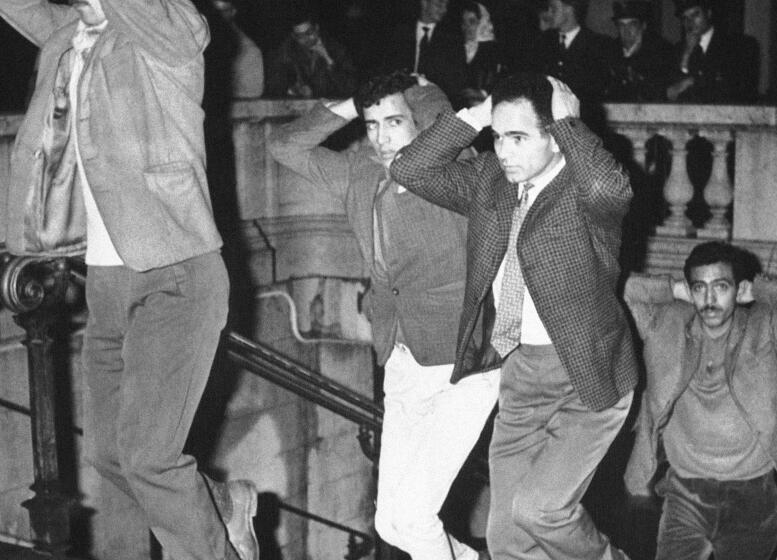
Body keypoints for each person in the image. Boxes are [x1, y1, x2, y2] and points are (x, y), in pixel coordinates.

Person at [0, 1, 258, 560]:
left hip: (176, 272)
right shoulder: (69, 33)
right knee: (111, 457)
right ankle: (219, 506)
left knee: (150, 457)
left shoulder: (169, 32)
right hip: (108, 282)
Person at [391, 72, 637, 560]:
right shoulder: (490, 180)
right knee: (505, 540)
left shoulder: (584, 191)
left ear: (554, 134)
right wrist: (479, 116)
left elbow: (613, 189)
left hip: (586, 378)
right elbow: (410, 169)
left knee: (540, 510)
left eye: (519, 137)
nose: (504, 151)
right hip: (520, 377)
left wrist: (571, 122)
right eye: (499, 138)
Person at [269, 71, 500, 560]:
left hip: (461, 365)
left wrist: (423, 96)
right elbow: (285, 145)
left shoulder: (458, 171)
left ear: (423, 122)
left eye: (394, 121)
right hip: (401, 359)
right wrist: (356, 103)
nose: (381, 136)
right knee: (390, 522)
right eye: (373, 125)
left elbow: (444, 130)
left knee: (415, 518)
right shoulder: (361, 174)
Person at [622, 241, 777, 560]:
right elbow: (631, 289)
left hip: (752, 495)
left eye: (721, 287)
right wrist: (676, 288)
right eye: (700, 288)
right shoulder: (665, 325)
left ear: (738, 289)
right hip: (686, 494)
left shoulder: (764, 329)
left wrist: (758, 289)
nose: (709, 299)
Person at [665, 0, 759, 103]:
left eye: (695, 15)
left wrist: (692, 82)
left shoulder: (736, 45)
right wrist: (687, 54)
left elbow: (736, 88)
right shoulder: (677, 49)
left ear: (708, 13)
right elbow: (670, 92)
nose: (690, 22)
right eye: (685, 18)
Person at [379, 0, 467, 101]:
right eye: (439, 5)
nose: (444, 10)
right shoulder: (400, 32)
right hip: (399, 96)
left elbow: (456, 81)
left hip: (435, 101)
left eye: (446, 5)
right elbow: (387, 68)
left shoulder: (452, 39)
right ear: (424, 3)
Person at [529, 0, 612, 106]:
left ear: (569, 8)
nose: (549, 13)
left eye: (553, 8)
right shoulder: (541, 43)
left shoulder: (597, 45)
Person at [264, 8, 357, 99]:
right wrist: (295, 90)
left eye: (309, 32)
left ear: (316, 28)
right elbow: (273, 86)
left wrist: (328, 60)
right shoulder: (286, 51)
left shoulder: (336, 49)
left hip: (334, 106)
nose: (306, 39)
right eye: (300, 36)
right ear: (293, 36)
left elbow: (350, 88)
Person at [605, 0, 673, 102]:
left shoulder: (661, 51)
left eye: (632, 24)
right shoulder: (609, 51)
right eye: (621, 25)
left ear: (643, 26)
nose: (626, 30)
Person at [209, 0, 264, 99]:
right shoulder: (197, 41)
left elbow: (250, 97)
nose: (216, 17)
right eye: (213, 11)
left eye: (223, 11)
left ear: (233, 11)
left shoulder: (249, 50)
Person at [459, 1, 506, 108]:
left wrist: (482, 93)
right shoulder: (454, 48)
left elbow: (496, 80)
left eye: (472, 22)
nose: (466, 27)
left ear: (481, 23)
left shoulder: (492, 51)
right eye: (463, 22)